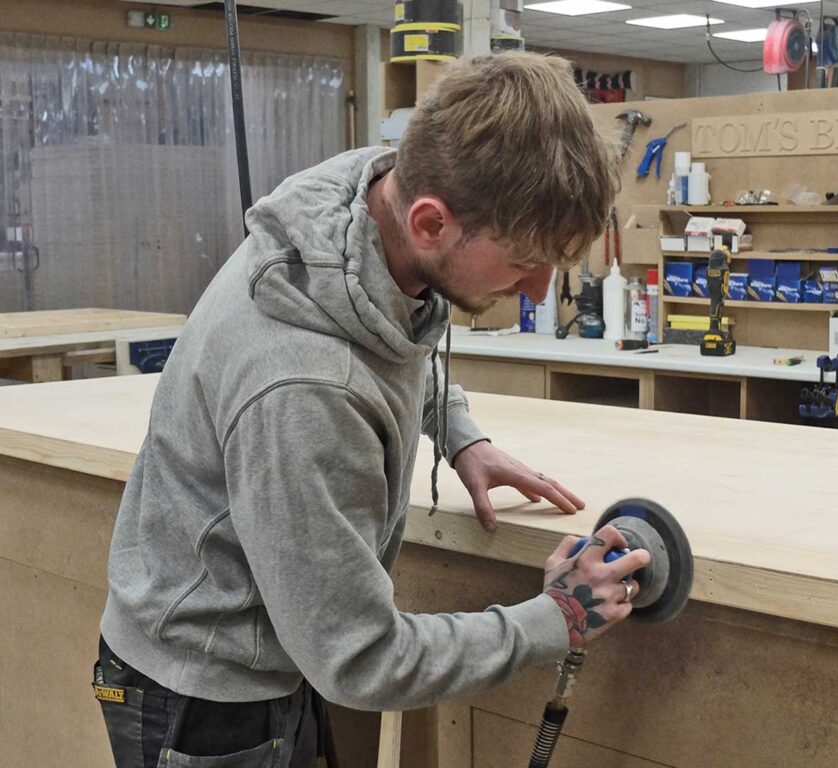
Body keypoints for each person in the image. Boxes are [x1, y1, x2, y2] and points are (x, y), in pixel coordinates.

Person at [93, 52, 648, 767]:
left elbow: (389, 330)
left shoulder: (365, 193)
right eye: (521, 262)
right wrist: (558, 619)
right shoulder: (302, 387)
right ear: (429, 222)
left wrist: (459, 434)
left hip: (274, 653)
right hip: (205, 699)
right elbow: (359, 659)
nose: (539, 290)